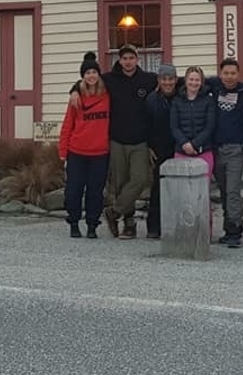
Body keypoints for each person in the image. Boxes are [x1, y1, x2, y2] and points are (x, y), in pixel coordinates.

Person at [68, 45, 158, 240]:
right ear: (120, 60)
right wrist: (74, 90)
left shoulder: (148, 79)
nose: (128, 62)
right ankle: (129, 224)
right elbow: (89, 78)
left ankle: (113, 212)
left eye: (131, 58)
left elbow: (172, 82)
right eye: (124, 58)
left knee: (140, 179)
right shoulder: (110, 79)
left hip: (140, 141)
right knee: (119, 184)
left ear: (137, 59)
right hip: (116, 140)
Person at [59, 54, 111, 240]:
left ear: (99, 74)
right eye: (87, 73)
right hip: (77, 152)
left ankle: (92, 225)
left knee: (95, 192)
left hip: (100, 153)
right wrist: (63, 151)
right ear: (83, 76)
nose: (91, 76)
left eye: (94, 72)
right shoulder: (76, 98)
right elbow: (67, 125)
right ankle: (73, 222)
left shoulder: (107, 95)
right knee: (73, 190)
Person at [204, 58, 243, 248]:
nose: (229, 77)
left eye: (233, 73)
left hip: (236, 149)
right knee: (224, 191)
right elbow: (190, 80)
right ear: (220, 74)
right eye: (226, 73)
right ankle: (227, 228)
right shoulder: (214, 87)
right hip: (216, 148)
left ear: (238, 74)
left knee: (232, 191)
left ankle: (235, 230)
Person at [143, 64, 180, 239]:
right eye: (164, 79)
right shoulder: (151, 100)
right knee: (158, 188)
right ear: (158, 80)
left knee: (178, 188)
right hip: (159, 148)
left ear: (176, 80)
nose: (167, 82)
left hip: (179, 147)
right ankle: (154, 226)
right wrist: (149, 147)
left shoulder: (182, 96)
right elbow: (146, 125)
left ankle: (177, 224)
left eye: (170, 79)